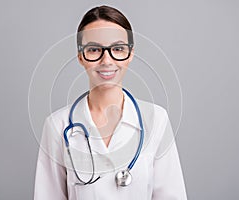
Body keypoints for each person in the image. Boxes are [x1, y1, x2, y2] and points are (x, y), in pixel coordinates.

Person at [34, 5, 187, 200]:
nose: (106, 60)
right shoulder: (58, 125)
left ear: (130, 54)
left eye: (117, 48)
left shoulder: (156, 119)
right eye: (94, 49)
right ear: (81, 56)